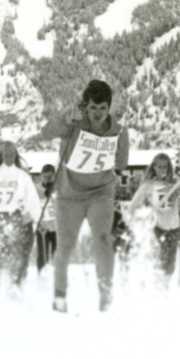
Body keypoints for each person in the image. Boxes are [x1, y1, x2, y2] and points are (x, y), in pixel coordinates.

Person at [38, 79, 130, 313]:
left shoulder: (119, 132)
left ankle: (106, 296)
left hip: (101, 193)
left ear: (109, 108)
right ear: (85, 106)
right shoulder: (74, 123)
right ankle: (59, 296)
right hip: (69, 193)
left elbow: (121, 164)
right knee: (65, 245)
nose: (97, 114)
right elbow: (45, 133)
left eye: (102, 108)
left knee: (103, 240)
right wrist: (67, 118)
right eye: (92, 108)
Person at [0, 141, 40, 298]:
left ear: (15, 155)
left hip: (14, 216)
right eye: (6, 154)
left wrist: (38, 218)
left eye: (12, 154)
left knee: (15, 250)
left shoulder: (22, 175)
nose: (9, 157)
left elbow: (32, 198)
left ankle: (15, 284)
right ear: (1, 155)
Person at [126, 152, 180, 290]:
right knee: (160, 258)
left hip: (175, 227)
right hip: (158, 227)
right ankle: (157, 285)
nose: (162, 169)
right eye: (159, 166)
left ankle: (165, 286)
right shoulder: (148, 185)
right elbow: (133, 205)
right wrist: (131, 221)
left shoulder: (174, 183)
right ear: (154, 167)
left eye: (165, 166)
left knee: (171, 261)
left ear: (169, 167)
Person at [35, 164, 58, 276]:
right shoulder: (36, 189)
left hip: (57, 228)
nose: (47, 179)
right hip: (43, 227)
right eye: (45, 176)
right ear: (41, 176)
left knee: (58, 255)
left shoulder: (58, 188)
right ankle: (41, 275)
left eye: (50, 177)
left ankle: (57, 277)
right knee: (42, 255)